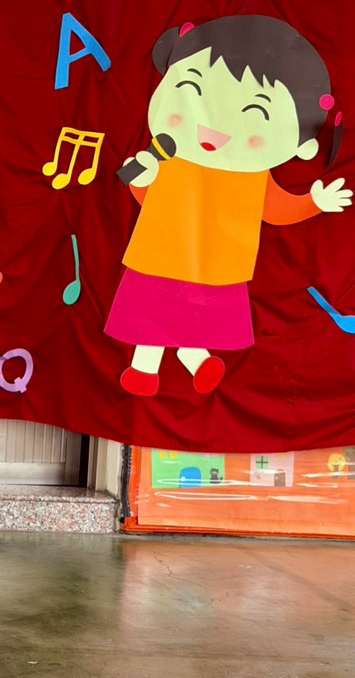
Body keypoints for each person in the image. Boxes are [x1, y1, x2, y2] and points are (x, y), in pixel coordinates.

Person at [105, 15, 351, 397]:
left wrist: (313, 203)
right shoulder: (172, 158)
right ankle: (162, 365)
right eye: (193, 89)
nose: (215, 127)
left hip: (218, 260)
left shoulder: (252, 174)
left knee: (189, 316)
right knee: (154, 312)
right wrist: (141, 176)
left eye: (256, 112)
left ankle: (187, 359)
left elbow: (275, 208)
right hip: (160, 252)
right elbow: (148, 198)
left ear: (302, 142)